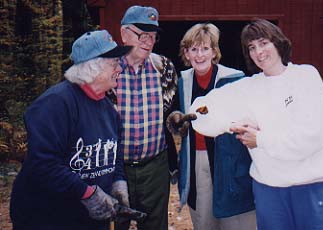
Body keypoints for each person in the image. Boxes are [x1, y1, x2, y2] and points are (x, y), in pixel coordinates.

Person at [190, 19, 323, 230]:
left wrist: (261, 138)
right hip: (270, 191)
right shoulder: (248, 87)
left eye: (263, 43)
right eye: (252, 47)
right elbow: (208, 107)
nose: (259, 52)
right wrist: (190, 116)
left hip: (314, 187)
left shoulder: (306, 76)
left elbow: (313, 135)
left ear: (278, 42)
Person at [9, 30, 145, 230]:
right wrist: (87, 193)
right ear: (92, 68)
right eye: (114, 63)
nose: (120, 69)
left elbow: (113, 155)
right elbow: (44, 164)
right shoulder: (55, 104)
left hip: (90, 219)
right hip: (48, 217)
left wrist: (118, 182)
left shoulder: (109, 110)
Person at [166, 23, 256, 230]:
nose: (199, 55)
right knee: (204, 220)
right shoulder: (183, 81)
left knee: (237, 219)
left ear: (214, 52)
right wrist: (177, 119)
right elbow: (176, 114)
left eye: (205, 48)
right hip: (199, 160)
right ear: (186, 53)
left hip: (231, 160)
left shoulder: (234, 79)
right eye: (194, 49)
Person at [107, 5, 178, 230]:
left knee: (156, 225)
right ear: (124, 33)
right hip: (115, 167)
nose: (148, 41)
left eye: (153, 36)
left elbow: (170, 110)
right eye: (142, 34)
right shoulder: (106, 68)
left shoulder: (164, 68)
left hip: (155, 167)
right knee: (115, 224)